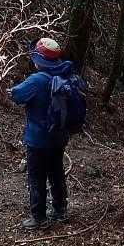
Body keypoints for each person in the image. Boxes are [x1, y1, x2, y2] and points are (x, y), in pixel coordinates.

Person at [10, 37, 78, 229]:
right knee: (56, 172)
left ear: (39, 60)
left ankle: (38, 217)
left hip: (38, 139)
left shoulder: (37, 80)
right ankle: (60, 210)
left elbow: (17, 95)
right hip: (59, 137)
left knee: (36, 177)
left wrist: (10, 89)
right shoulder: (64, 74)